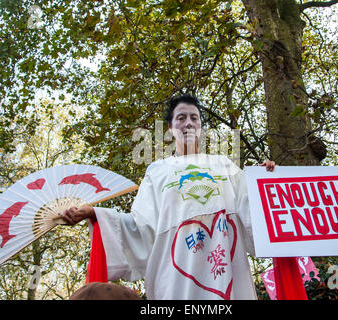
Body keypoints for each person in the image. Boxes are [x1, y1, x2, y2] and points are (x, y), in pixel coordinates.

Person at [62, 94, 275, 299]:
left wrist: (264, 181)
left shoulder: (223, 165)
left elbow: (251, 206)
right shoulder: (158, 170)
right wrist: (96, 214)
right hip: (175, 274)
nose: (188, 123)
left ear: (201, 127)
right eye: (181, 118)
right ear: (171, 128)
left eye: (194, 117)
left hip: (226, 263)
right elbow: (140, 226)